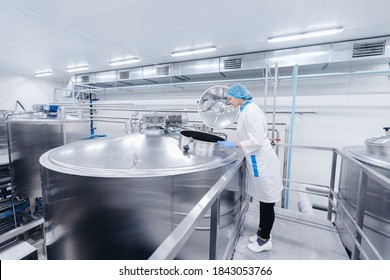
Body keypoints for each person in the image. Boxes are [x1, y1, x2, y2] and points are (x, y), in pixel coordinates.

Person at [218, 83, 283, 253]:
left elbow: (256, 141)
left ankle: (264, 240)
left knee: (267, 202)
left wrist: (235, 144)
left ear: (240, 96)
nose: (229, 101)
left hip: (262, 162)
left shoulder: (251, 111)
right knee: (263, 200)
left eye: (230, 98)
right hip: (257, 159)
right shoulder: (246, 109)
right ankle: (262, 232)